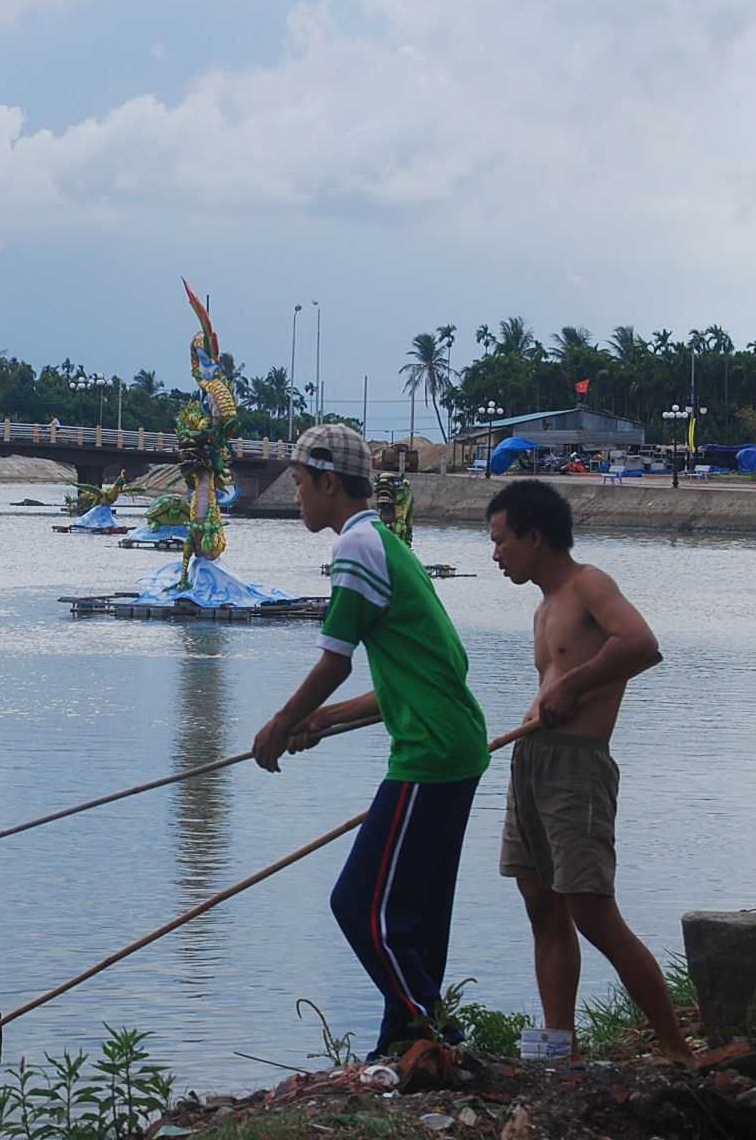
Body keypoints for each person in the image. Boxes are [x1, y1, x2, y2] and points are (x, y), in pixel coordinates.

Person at [255, 423, 489, 1062]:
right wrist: (322, 723)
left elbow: (335, 663)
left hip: (430, 753)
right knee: (411, 913)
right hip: (454, 743)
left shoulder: (355, 548)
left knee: (360, 905)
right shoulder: (385, 542)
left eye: (300, 484)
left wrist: (279, 726)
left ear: (330, 482)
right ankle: (404, 1045)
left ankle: (430, 1032)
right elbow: (408, 682)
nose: (296, 496)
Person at [484, 478, 692, 1063]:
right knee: (541, 906)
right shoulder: (543, 607)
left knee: (593, 913)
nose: (495, 554)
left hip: (578, 769)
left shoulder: (589, 584)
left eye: (501, 541)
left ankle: (677, 1048)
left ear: (535, 536)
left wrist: (574, 685)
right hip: (532, 761)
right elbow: (551, 685)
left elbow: (642, 645)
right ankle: (559, 1049)